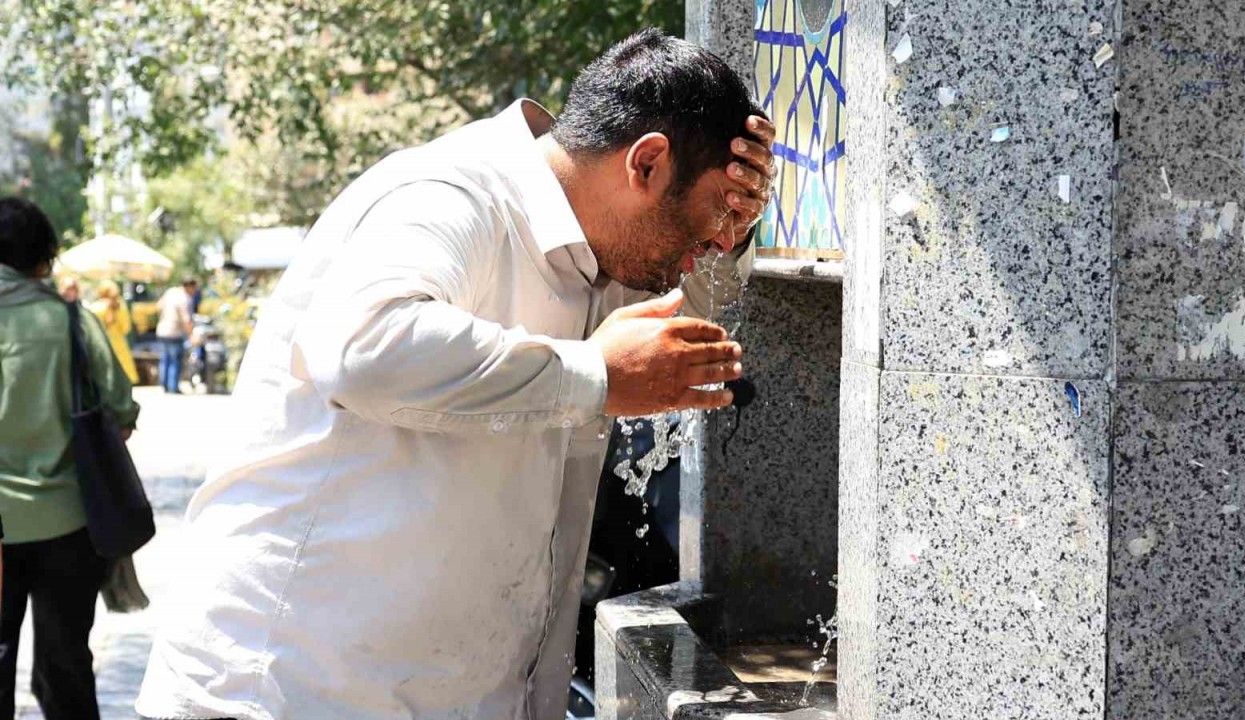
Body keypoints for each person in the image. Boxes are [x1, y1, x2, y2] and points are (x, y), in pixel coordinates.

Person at [137, 29, 775, 720]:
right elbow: (365, 346)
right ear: (646, 164)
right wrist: (591, 375)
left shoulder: (608, 249)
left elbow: (685, 318)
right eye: (713, 214)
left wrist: (738, 230)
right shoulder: (451, 194)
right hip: (285, 690)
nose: (714, 242)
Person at [0, 197, 140, 720]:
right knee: (65, 670)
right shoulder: (72, 322)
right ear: (43, 260)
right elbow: (121, 412)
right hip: (69, 525)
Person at [90, 279, 140, 384]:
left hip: (114, 345)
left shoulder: (118, 306)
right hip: (109, 345)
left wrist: (116, 311)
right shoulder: (99, 307)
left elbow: (126, 328)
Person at [155, 277, 196, 393]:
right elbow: (186, 318)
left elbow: (158, 306)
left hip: (162, 330)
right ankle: (173, 387)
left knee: (165, 358)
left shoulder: (171, 292)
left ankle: (164, 385)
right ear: (190, 287)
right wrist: (191, 334)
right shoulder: (185, 298)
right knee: (175, 360)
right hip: (174, 332)